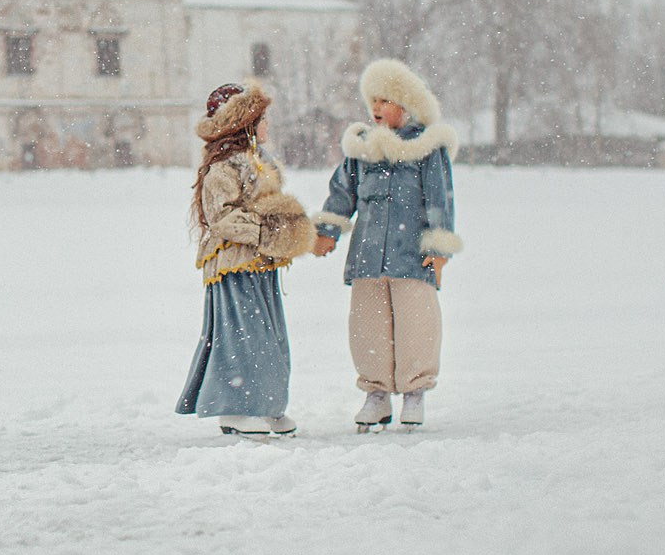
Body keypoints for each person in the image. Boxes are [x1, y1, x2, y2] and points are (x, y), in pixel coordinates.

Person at [311, 60, 461, 432]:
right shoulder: (361, 148)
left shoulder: (427, 148)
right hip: (367, 255)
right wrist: (329, 227)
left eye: (385, 100)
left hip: (412, 255)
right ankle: (375, 394)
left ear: (406, 104)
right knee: (368, 327)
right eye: (372, 100)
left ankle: (415, 392)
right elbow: (342, 192)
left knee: (416, 324)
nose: (376, 108)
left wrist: (439, 247)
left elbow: (440, 199)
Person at [176, 81, 320, 437]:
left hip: (260, 264)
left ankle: (266, 403)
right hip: (233, 265)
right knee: (242, 337)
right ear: (246, 123)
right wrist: (263, 231)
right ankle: (235, 407)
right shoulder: (224, 166)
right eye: (262, 119)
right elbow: (222, 216)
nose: (268, 126)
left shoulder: (259, 162)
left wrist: (280, 231)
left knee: (269, 338)